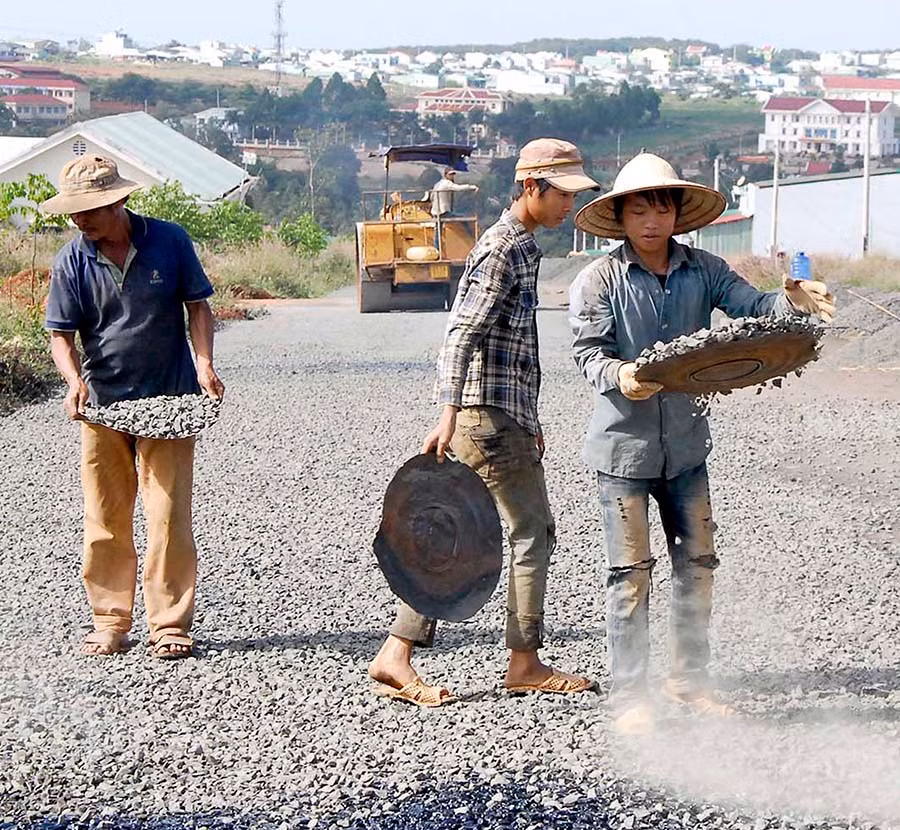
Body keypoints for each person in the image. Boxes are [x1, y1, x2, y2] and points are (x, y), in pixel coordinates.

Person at [567, 152, 834, 735]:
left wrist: (793, 299)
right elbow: (588, 353)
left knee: (697, 567)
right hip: (623, 452)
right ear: (621, 216)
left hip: (688, 449)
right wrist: (620, 374)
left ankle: (689, 682)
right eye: (640, 210)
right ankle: (630, 696)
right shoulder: (600, 280)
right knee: (630, 574)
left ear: (676, 214)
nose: (652, 221)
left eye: (662, 209)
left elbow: (756, 310)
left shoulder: (705, 270)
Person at [368, 138, 600, 706]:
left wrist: (530, 418)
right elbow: (462, 333)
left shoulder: (520, 246)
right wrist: (447, 412)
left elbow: (513, 349)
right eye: (562, 194)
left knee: (452, 532)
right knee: (531, 532)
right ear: (531, 187)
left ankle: (396, 653)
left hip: (500, 415)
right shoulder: (502, 249)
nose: (568, 205)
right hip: (487, 420)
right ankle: (524, 662)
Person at [42, 155, 225, 660]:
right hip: (103, 404)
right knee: (104, 516)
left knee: (168, 515)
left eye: (90, 210)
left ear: (118, 201)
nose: (80, 220)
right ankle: (110, 620)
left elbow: (198, 307)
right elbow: (61, 335)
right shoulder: (72, 261)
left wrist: (204, 364)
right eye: (74, 212)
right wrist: (73, 382)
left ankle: (169, 624)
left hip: (170, 396)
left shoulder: (169, 240)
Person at [428, 167, 479, 256]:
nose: (452, 176)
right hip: (443, 212)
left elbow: (432, 196)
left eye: (453, 174)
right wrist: (472, 187)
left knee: (438, 231)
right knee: (463, 219)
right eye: (450, 174)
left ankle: (437, 249)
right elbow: (458, 188)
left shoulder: (438, 184)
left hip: (436, 211)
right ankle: (470, 236)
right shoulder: (446, 183)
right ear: (446, 175)